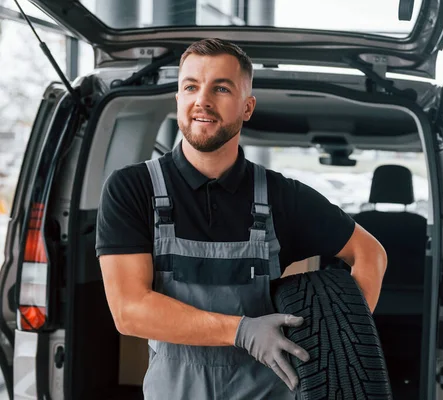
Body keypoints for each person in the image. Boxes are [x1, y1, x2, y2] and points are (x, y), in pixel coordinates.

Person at [96, 38, 387, 400]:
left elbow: (369, 253)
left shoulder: (282, 196)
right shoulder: (132, 188)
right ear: (178, 99)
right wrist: (242, 331)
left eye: (220, 88)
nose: (202, 100)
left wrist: (340, 339)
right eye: (190, 86)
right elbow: (130, 311)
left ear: (247, 107)